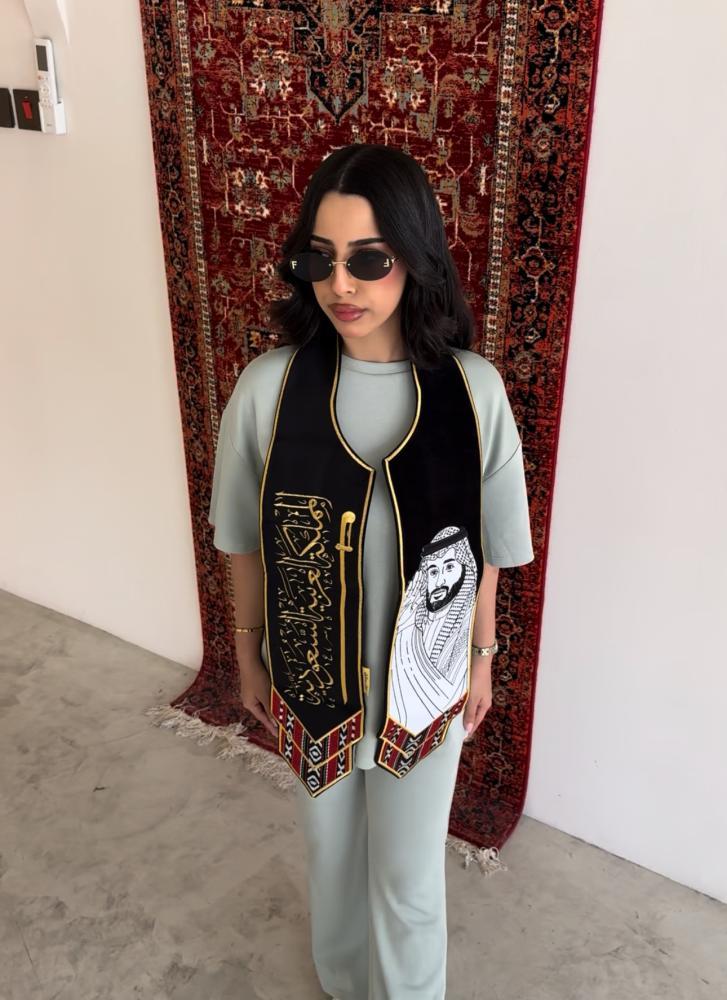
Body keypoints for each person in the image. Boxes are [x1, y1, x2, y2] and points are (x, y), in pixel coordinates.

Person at [208, 143, 534, 1000]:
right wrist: (247, 654)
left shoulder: (473, 392)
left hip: (425, 689)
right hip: (310, 682)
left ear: (415, 257)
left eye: (368, 259)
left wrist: (481, 657)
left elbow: (484, 550)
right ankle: (343, 980)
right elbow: (242, 540)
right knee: (331, 857)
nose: (340, 284)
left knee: (408, 876)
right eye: (319, 259)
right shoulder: (268, 390)